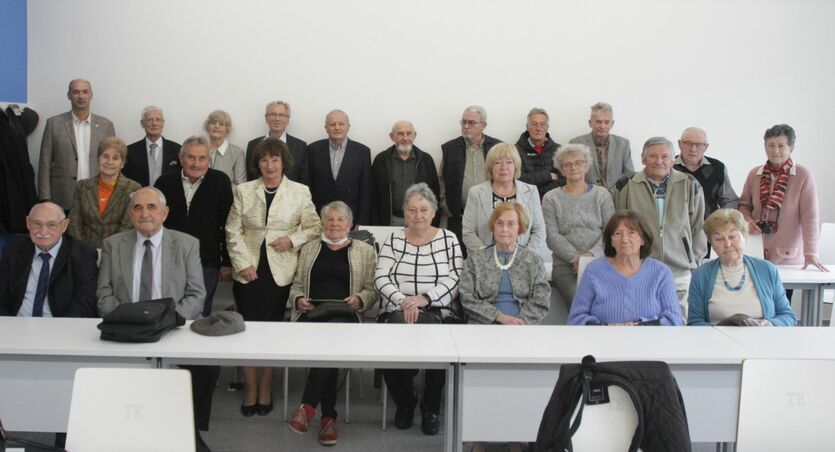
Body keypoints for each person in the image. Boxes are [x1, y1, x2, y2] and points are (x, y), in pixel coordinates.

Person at [96, 187, 213, 451]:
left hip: (173, 328)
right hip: (126, 330)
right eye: (137, 208)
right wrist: (128, 322)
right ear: (130, 214)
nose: (145, 213)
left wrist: (168, 322)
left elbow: (196, 295)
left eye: (151, 207)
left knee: (205, 366)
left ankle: (190, 431)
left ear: (165, 213)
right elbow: (103, 295)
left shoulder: (186, 244)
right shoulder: (113, 244)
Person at [226, 138, 321, 418]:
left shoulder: (300, 191)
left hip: (281, 271)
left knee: (270, 331)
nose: (269, 165)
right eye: (264, 160)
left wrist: (291, 240)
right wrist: (243, 263)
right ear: (258, 164)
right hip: (249, 270)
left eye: (275, 159)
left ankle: (265, 387)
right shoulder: (243, 190)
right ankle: (251, 388)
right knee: (246, 330)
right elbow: (232, 230)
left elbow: (314, 227)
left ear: (283, 163)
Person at [374, 183, 463, 436]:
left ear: (433, 212)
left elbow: (456, 278)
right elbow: (381, 277)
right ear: (404, 212)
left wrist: (424, 298)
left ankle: (430, 407)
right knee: (387, 339)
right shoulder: (393, 239)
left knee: (440, 342)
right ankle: (405, 400)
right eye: (412, 210)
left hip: (438, 310)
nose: (418, 215)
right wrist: (404, 301)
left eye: (423, 209)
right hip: (396, 309)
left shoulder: (448, 239)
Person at [287, 201, 378, 446]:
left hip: (345, 314)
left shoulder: (364, 250)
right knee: (329, 345)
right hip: (311, 314)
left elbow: (372, 290)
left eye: (340, 219)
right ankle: (327, 418)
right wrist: (298, 300)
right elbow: (296, 285)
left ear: (350, 224)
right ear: (322, 223)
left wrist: (360, 299)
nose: (334, 224)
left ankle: (308, 407)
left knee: (331, 337)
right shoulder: (309, 248)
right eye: (329, 219)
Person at [612, 136, 707, 320]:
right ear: (643, 159)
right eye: (653, 156)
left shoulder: (689, 184)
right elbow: (615, 225)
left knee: (678, 321)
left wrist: (693, 259)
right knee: (640, 320)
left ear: (673, 160)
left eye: (665, 156)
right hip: (638, 267)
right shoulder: (626, 184)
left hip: (679, 269)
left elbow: (699, 227)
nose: (659, 161)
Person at [154, 136, 233, 317]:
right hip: (169, 260)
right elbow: (156, 223)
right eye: (191, 157)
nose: (196, 164)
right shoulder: (164, 182)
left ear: (208, 160)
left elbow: (228, 224)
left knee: (199, 313)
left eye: (202, 158)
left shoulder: (220, 181)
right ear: (181, 158)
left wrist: (227, 263)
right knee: (168, 311)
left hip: (207, 262)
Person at [738, 124, 827, 273]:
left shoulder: (803, 175)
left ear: (791, 149)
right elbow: (743, 206)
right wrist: (748, 222)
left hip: (788, 256)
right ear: (765, 147)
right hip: (755, 251)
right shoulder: (754, 174)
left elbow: (810, 218)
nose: (775, 150)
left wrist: (811, 253)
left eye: (781, 146)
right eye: (771, 145)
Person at [568, 211, 683, 326]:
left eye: (631, 233)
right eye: (618, 233)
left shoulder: (661, 272)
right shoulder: (593, 270)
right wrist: (608, 327)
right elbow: (576, 318)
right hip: (604, 336)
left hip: (650, 337)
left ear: (643, 239)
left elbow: (674, 319)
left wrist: (640, 327)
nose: (624, 239)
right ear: (611, 241)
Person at [688, 209, 797, 326]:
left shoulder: (767, 270)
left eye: (732, 236)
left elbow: (788, 316)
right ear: (712, 245)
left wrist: (770, 324)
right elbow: (694, 322)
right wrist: (721, 327)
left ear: (745, 238)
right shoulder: (701, 275)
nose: (727, 244)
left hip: (761, 336)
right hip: (716, 336)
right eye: (719, 239)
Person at [542, 144, 614, 306]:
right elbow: (552, 236)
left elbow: (610, 232)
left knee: (605, 304)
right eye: (567, 164)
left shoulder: (602, 195)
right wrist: (577, 259)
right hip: (566, 266)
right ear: (561, 169)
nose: (573, 167)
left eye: (578, 162)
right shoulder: (551, 198)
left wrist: (590, 256)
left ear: (587, 166)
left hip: (600, 261)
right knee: (579, 302)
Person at [0, 201, 97, 317]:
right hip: (17, 322)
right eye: (37, 224)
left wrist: (59, 327)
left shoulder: (83, 254)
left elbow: (84, 303)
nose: (43, 231)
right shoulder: (13, 250)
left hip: (62, 324)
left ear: (64, 225)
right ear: (28, 223)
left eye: (51, 225)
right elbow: (2, 297)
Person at [460, 202, 550, 325]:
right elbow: (467, 298)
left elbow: (541, 299)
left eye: (511, 224)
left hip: (523, 327)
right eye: (499, 223)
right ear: (493, 226)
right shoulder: (475, 260)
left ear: (519, 228)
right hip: (483, 327)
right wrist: (499, 317)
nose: (504, 229)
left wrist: (519, 322)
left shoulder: (533, 261)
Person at [38, 79, 116, 210]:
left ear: (91, 95)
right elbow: (44, 164)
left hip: (97, 195)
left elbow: (113, 163)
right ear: (69, 95)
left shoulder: (106, 125)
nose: (81, 96)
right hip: (63, 196)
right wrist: (45, 197)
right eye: (76, 92)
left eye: (85, 92)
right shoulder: (54, 124)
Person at [462, 143, 547, 260]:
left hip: (523, 259)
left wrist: (525, 256)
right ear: (490, 168)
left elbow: (539, 230)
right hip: (485, 260)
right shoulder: (476, 193)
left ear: (516, 166)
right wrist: (487, 257)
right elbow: (468, 232)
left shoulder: (531, 191)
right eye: (497, 163)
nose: (503, 167)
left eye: (509, 162)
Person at [439, 106, 501, 244]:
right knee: (459, 254)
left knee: (489, 254)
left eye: (471, 122)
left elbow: (506, 178)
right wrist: (446, 205)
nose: (466, 126)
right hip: (458, 217)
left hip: (491, 217)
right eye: (463, 122)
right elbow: (441, 179)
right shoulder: (450, 148)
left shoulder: (497, 147)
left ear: (483, 125)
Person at [68, 137, 142, 249]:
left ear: (122, 163)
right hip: (84, 251)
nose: (109, 162)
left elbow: (128, 226)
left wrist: (110, 251)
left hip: (118, 250)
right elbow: (74, 223)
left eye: (115, 158)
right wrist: (83, 251)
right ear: (98, 158)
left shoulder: (133, 189)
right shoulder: (82, 187)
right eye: (105, 156)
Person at [307, 109, 372, 226]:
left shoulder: (362, 152)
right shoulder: (313, 150)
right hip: (319, 218)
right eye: (332, 124)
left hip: (350, 219)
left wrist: (361, 224)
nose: (337, 128)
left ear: (348, 127)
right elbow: (308, 186)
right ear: (326, 128)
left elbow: (365, 191)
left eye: (341, 124)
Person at [371, 120, 441, 226]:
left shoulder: (426, 160)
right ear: (392, 136)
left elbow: (434, 195)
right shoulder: (381, 160)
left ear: (414, 136)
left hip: (419, 221)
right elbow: (373, 195)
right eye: (400, 134)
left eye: (409, 133)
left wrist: (433, 225)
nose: (405, 138)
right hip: (390, 221)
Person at [673, 127, 739, 218]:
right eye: (688, 143)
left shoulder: (717, 167)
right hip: (675, 224)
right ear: (679, 144)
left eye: (699, 144)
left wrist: (721, 220)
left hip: (709, 224)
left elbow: (729, 200)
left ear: (706, 147)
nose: (693, 149)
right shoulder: (669, 167)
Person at [569, 102, 634, 189]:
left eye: (606, 122)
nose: (603, 126)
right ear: (590, 123)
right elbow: (572, 174)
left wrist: (614, 191)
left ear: (612, 124)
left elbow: (629, 173)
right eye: (598, 122)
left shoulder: (623, 144)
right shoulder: (575, 144)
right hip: (586, 194)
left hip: (616, 194)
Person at [245, 101, 308, 184]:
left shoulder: (300, 146)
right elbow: (250, 178)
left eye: (282, 115)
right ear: (266, 118)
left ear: (288, 120)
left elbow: (304, 179)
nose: (277, 119)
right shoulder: (253, 145)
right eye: (273, 114)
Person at [123, 106, 181, 186]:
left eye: (158, 119)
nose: (154, 123)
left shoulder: (177, 150)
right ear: (142, 124)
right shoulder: (129, 151)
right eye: (149, 120)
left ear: (163, 123)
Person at [516, 107, 563, 199]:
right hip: (526, 200)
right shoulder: (515, 151)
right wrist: (548, 175)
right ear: (527, 127)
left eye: (542, 124)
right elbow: (518, 179)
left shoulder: (559, 150)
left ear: (547, 127)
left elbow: (563, 181)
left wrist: (542, 193)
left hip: (553, 199)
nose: (538, 128)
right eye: (534, 124)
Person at [204, 110, 246, 186]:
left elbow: (240, 185)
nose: (216, 126)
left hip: (228, 193)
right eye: (213, 123)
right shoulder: (199, 150)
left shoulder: (237, 153)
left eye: (221, 124)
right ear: (207, 126)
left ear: (227, 129)